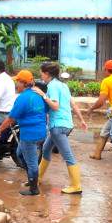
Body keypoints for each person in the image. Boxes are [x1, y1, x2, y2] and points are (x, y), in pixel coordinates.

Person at [32, 62, 87, 194]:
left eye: (42, 73)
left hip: (58, 126)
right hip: (66, 125)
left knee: (67, 155)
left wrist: (42, 95)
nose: (41, 76)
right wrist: (82, 120)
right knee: (46, 149)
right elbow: (73, 104)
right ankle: (37, 178)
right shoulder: (63, 85)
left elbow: (55, 106)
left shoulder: (52, 86)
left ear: (47, 74)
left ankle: (76, 186)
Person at [0, 70, 47, 196]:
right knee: (20, 154)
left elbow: (11, 118)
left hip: (29, 134)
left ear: (23, 83)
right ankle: (31, 179)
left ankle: (34, 188)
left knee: (31, 161)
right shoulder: (38, 94)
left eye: (17, 82)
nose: (16, 85)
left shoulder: (23, 98)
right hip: (40, 131)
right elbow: (46, 109)